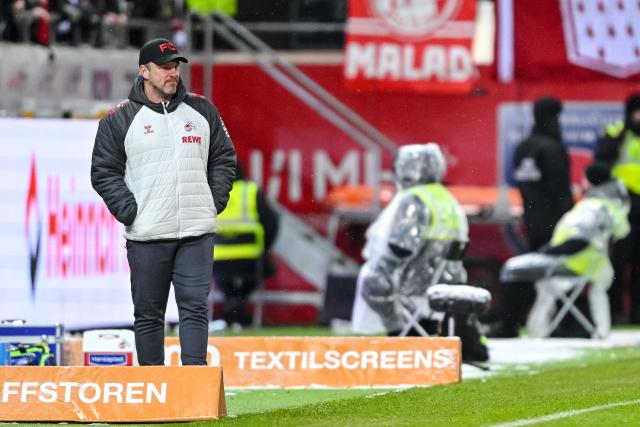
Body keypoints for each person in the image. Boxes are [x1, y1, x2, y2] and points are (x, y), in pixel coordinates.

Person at [90, 38, 236, 365]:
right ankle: (154, 392)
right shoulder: (119, 119)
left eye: (176, 66)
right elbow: (103, 171)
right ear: (144, 71)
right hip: (147, 235)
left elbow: (224, 158)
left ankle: (196, 389)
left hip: (196, 232)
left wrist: (213, 201)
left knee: (195, 309)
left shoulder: (202, 110)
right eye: (164, 67)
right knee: (148, 314)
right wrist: (130, 211)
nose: (173, 73)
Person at [351, 143, 489, 363]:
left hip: (418, 283)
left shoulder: (413, 199)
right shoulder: (446, 197)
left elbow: (402, 247)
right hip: (450, 278)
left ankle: (401, 334)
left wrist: (380, 265)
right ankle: (423, 327)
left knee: (373, 279)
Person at [510, 163, 630, 339]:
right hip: (598, 263)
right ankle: (602, 330)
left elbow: (579, 240)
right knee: (598, 293)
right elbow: (620, 231)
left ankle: (538, 330)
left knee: (545, 285)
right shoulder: (613, 205)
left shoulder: (592, 206)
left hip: (575, 261)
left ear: (591, 181)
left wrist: (550, 251)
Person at [488, 96, 574, 337]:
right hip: (556, 224)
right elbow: (559, 189)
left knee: (530, 271)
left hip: (532, 220)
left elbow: (524, 185)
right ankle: (561, 322)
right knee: (553, 273)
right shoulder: (552, 148)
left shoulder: (523, 147)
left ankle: (517, 320)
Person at [213, 161, 280, 327]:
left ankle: (232, 302)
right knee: (267, 269)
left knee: (224, 282)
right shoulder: (251, 192)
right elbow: (271, 222)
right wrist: (265, 247)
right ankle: (238, 303)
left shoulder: (212, 192)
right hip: (250, 258)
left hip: (218, 258)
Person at [593, 93, 640, 324]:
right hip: (623, 204)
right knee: (618, 261)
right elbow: (600, 162)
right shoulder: (617, 131)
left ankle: (636, 314)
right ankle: (615, 312)